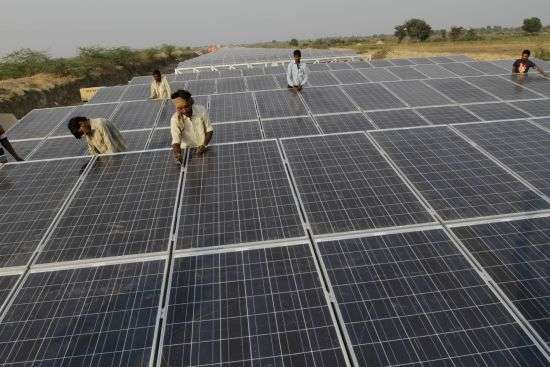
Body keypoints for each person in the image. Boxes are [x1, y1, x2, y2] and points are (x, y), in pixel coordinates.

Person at [170, 89, 213, 165]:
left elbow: (209, 130)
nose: (184, 111)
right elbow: (176, 140)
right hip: (187, 150)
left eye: (186, 107)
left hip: (203, 147)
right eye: (180, 108)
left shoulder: (201, 110)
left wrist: (204, 145)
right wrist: (178, 154)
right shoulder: (175, 119)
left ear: (190, 102)